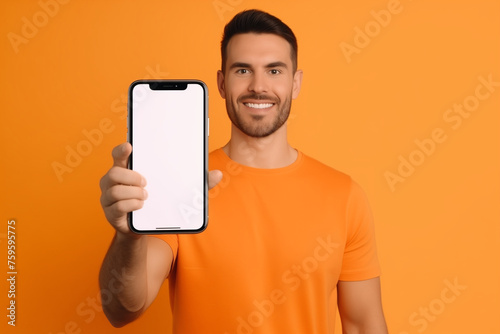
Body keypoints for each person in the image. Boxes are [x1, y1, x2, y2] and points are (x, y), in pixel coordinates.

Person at [99, 9, 388, 334]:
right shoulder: (185, 186)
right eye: (242, 70)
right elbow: (123, 309)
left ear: (296, 83)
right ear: (222, 83)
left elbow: (364, 325)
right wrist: (129, 235)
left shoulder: (344, 195)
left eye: (274, 70)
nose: (258, 86)